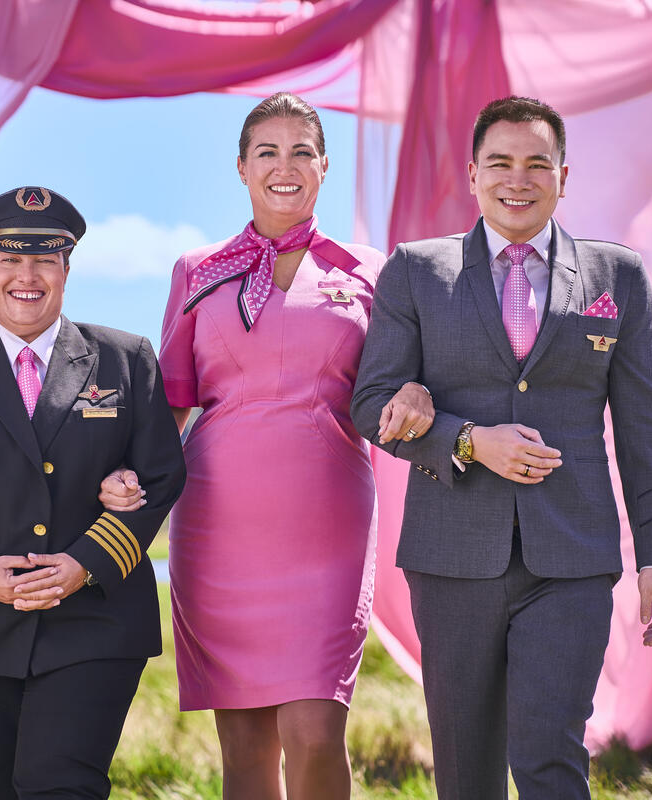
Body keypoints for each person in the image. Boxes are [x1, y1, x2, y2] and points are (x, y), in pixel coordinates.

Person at [350, 96, 652, 799]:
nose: (518, 179)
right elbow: (370, 403)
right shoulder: (415, 270)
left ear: (565, 175)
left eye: (538, 164)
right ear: (472, 175)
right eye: (500, 162)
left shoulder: (616, 276)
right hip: (451, 560)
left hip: (573, 559)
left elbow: (643, 427)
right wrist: (467, 440)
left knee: (549, 756)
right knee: (466, 772)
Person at [146, 92, 432, 800]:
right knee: (244, 752)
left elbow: (398, 388)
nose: (285, 166)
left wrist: (420, 395)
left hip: (326, 526)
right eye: (267, 152)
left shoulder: (373, 271)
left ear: (325, 167)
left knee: (313, 731)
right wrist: (119, 526)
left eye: (301, 151)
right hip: (217, 531)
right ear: (241, 168)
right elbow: (167, 409)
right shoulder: (197, 270)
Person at [0, 187, 187, 800]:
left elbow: (160, 474)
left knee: (60, 785)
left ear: (67, 270)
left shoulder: (125, 358)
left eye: (45, 259)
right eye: (10, 260)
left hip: (93, 617)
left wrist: (84, 564)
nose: (27, 276)